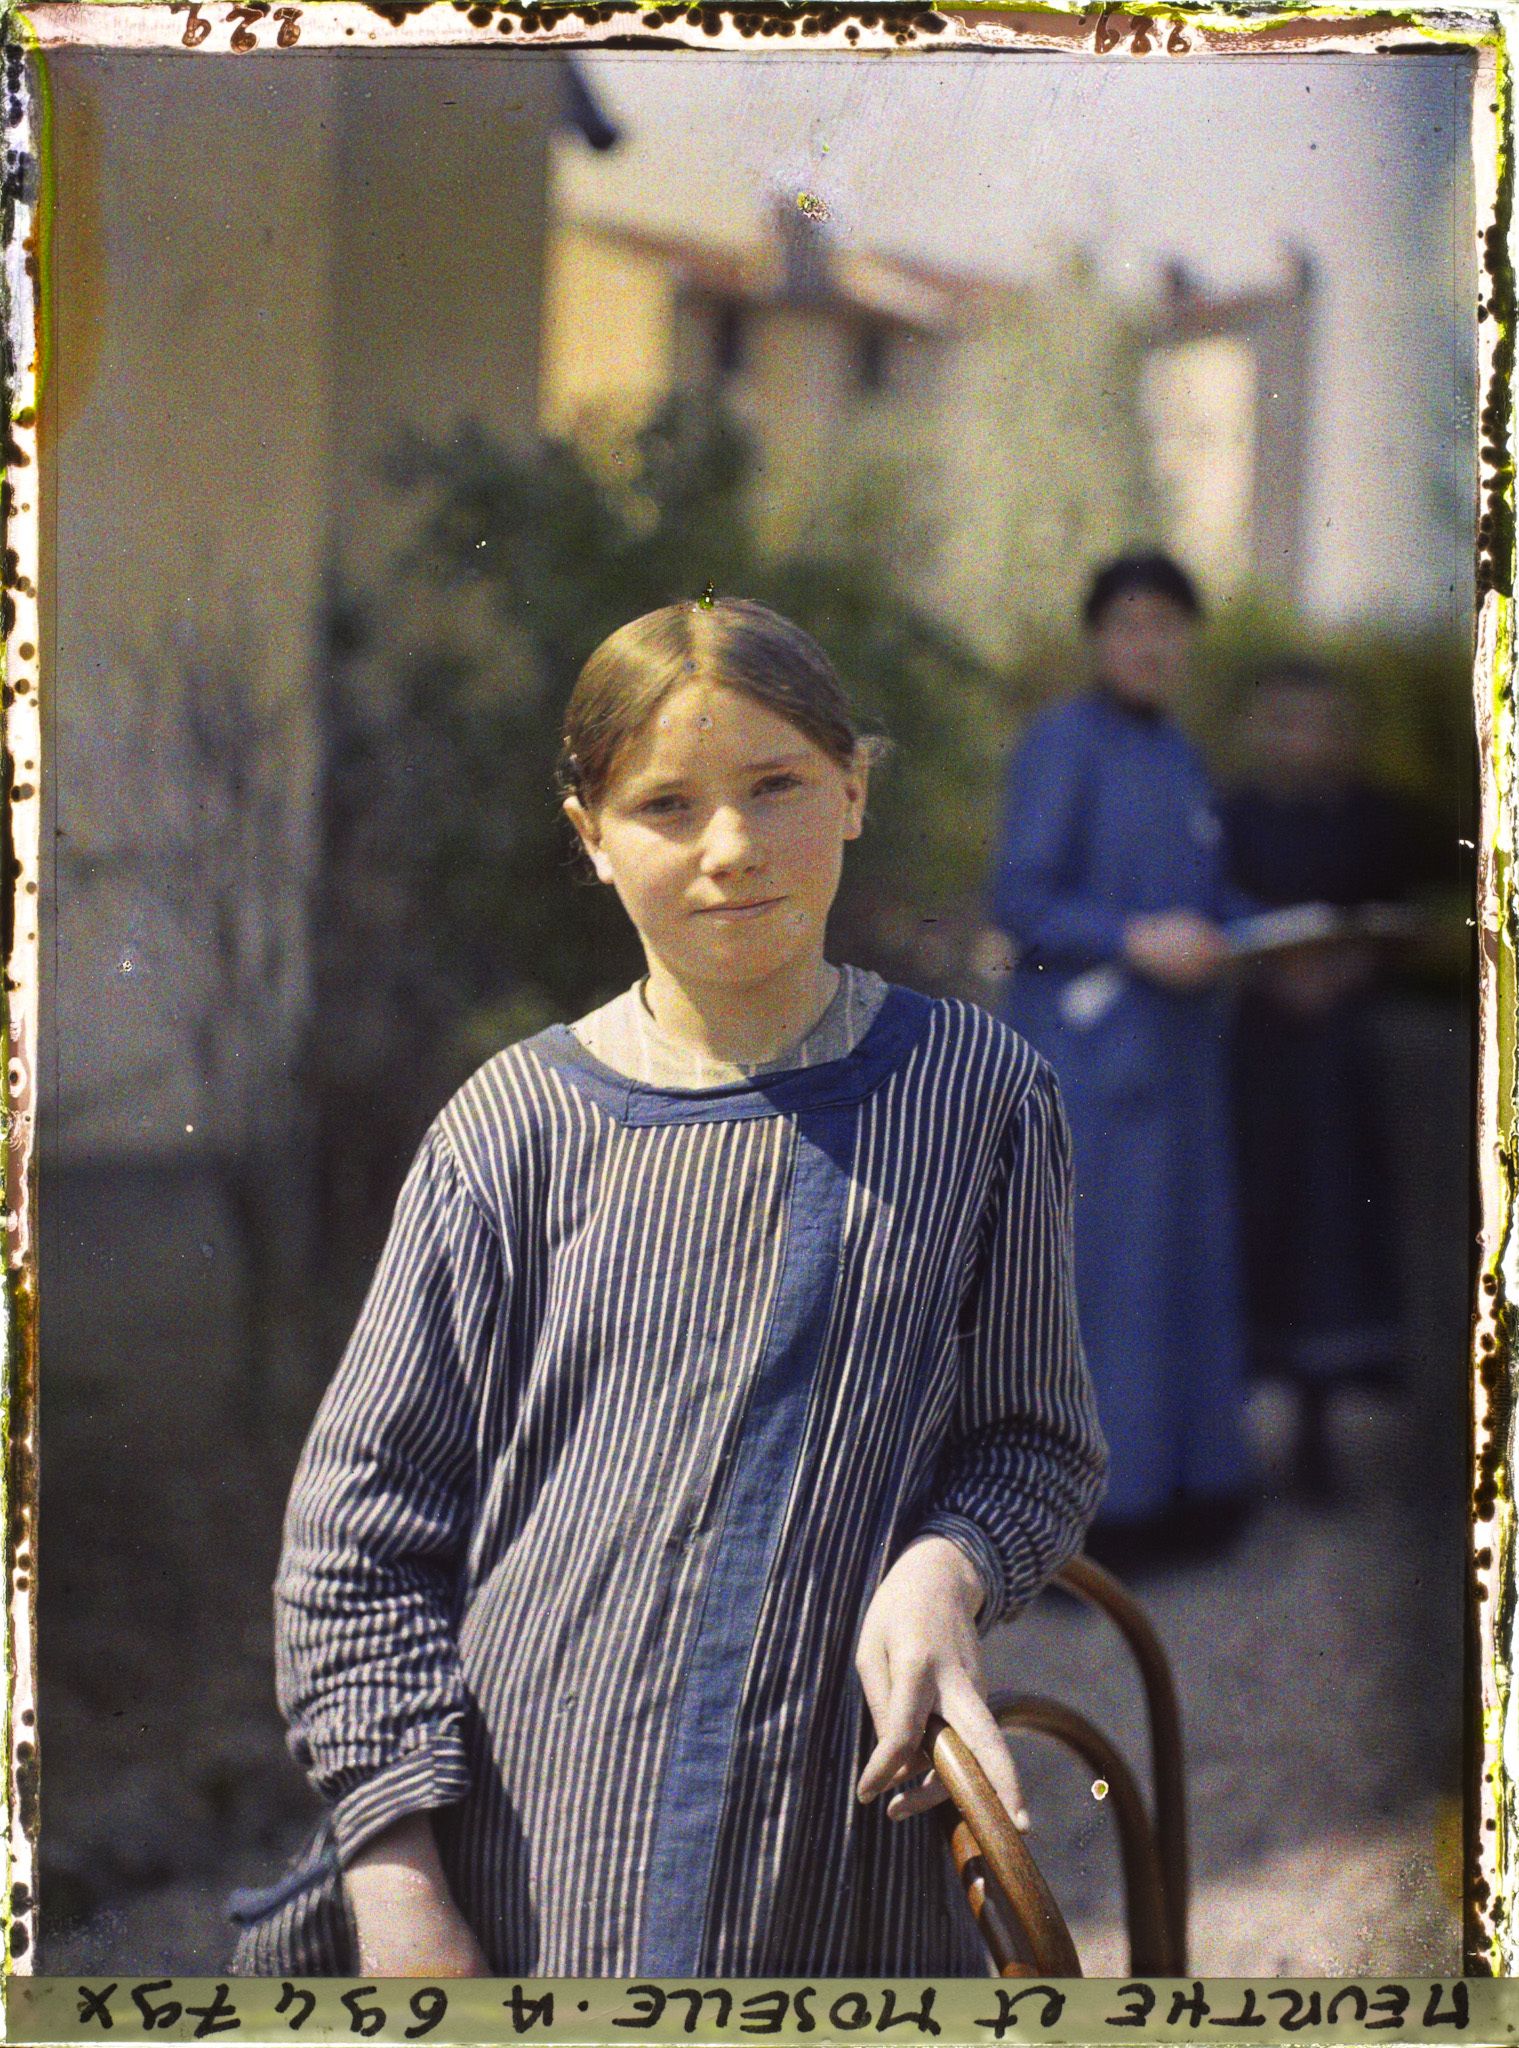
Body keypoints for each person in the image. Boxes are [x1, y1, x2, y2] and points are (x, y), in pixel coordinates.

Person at [232, 597, 1106, 1978]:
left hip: (837, 1842)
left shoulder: (976, 1096)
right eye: (663, 806)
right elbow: (354, 1545)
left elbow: (1033, 1443)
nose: (731, 850)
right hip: (536, 1856)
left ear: (853, 791)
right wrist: (401, 1882)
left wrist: (945, 1567)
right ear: (587, 836)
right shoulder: (507, 1132)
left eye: (777, 788)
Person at [988, 552, 1251, 1563]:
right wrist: (1136, 939)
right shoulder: (1062, 743)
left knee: (1179, 1270)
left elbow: (1208, 890)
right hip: (1092, 1063)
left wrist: (1277, 931)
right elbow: (1022, 900)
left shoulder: (1181, 753)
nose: (1150, 643)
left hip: (1178, 1063)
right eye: (1131, 623)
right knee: (1107, 1281)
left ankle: (1185, 1489)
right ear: (1099, 637)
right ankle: (1098, 1518)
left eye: (1168, 625)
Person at [1221, 659, 1421, 1498]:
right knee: (1257, 1216)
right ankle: (1232, 1437)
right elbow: (1213, 908)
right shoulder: (1229, 815)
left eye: (1319, 723)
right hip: (1261, 1044)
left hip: (1338, 1051)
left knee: (1334, 1225)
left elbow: (1405, 916)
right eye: (1282, 721)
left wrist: (1353, 962)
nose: (1300, 739)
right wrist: (1269, 970)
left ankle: (1318, 1429)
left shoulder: (1376, 818)